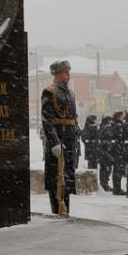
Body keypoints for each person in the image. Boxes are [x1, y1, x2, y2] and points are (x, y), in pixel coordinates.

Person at [40, 60, 78, 213]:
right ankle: (57, 211)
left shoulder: (70, 93)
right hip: (58, 141)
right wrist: (54, 142)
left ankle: (65, 210)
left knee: (66, 179)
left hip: (69, 141)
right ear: (57, 73)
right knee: (56, 179)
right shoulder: (50, 92)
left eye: (68, 71)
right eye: (64, 71)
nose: (68, 74)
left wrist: (76, 135)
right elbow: (47, 121)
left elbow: (73, 118)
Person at [110, 111, 126, 195]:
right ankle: (117, 189)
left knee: (117, 169)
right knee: (118, 170)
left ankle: (116, 188)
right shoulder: (118, 125)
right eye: (122, 116)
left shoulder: (114, 124)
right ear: (119, 117)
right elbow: (121, 136)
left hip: (115, 149)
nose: (124, 117)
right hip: (118, 149)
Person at [97, 115, 114, 192]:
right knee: (106, 168)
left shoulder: (103, 127)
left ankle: (104, 184)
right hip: (105, 151)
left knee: (105, 168)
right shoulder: (106, 128)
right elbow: (105, 138)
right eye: (110, 120)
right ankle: (104, 184)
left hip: (104, 151)